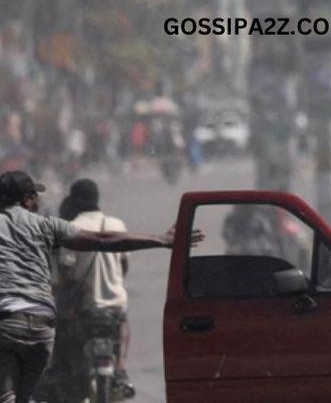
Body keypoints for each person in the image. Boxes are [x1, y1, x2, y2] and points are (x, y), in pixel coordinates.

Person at [0, 170, 203, 403]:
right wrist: (161, 239)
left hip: (6, 323)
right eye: (35, 196)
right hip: (41, 327)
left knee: (7, 395)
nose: (37, 202)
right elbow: (104, 240)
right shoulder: (46, 225)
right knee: (23, 396)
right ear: (26, 199)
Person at [54, 179, 136, 397]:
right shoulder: (117, 225)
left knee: (64, 338)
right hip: (114, 304)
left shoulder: (71, 227)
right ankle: (120, 368)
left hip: (84, 306)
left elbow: (65, 272)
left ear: (74, 200)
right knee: (124, 320)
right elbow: (124, 265)